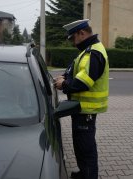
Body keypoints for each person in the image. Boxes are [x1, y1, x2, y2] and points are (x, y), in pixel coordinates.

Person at [54, 19, 109, 179]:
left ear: (82, 33)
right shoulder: (87, 51)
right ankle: (83, 173)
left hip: (86, 111)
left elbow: (83, 82)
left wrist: (64, 84)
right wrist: (65, 76)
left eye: (73, 38)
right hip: (81, 110)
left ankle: (88, 176)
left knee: (86, 150)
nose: (72, 42)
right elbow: (75, 70)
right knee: (81, 147)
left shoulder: (94, 53)